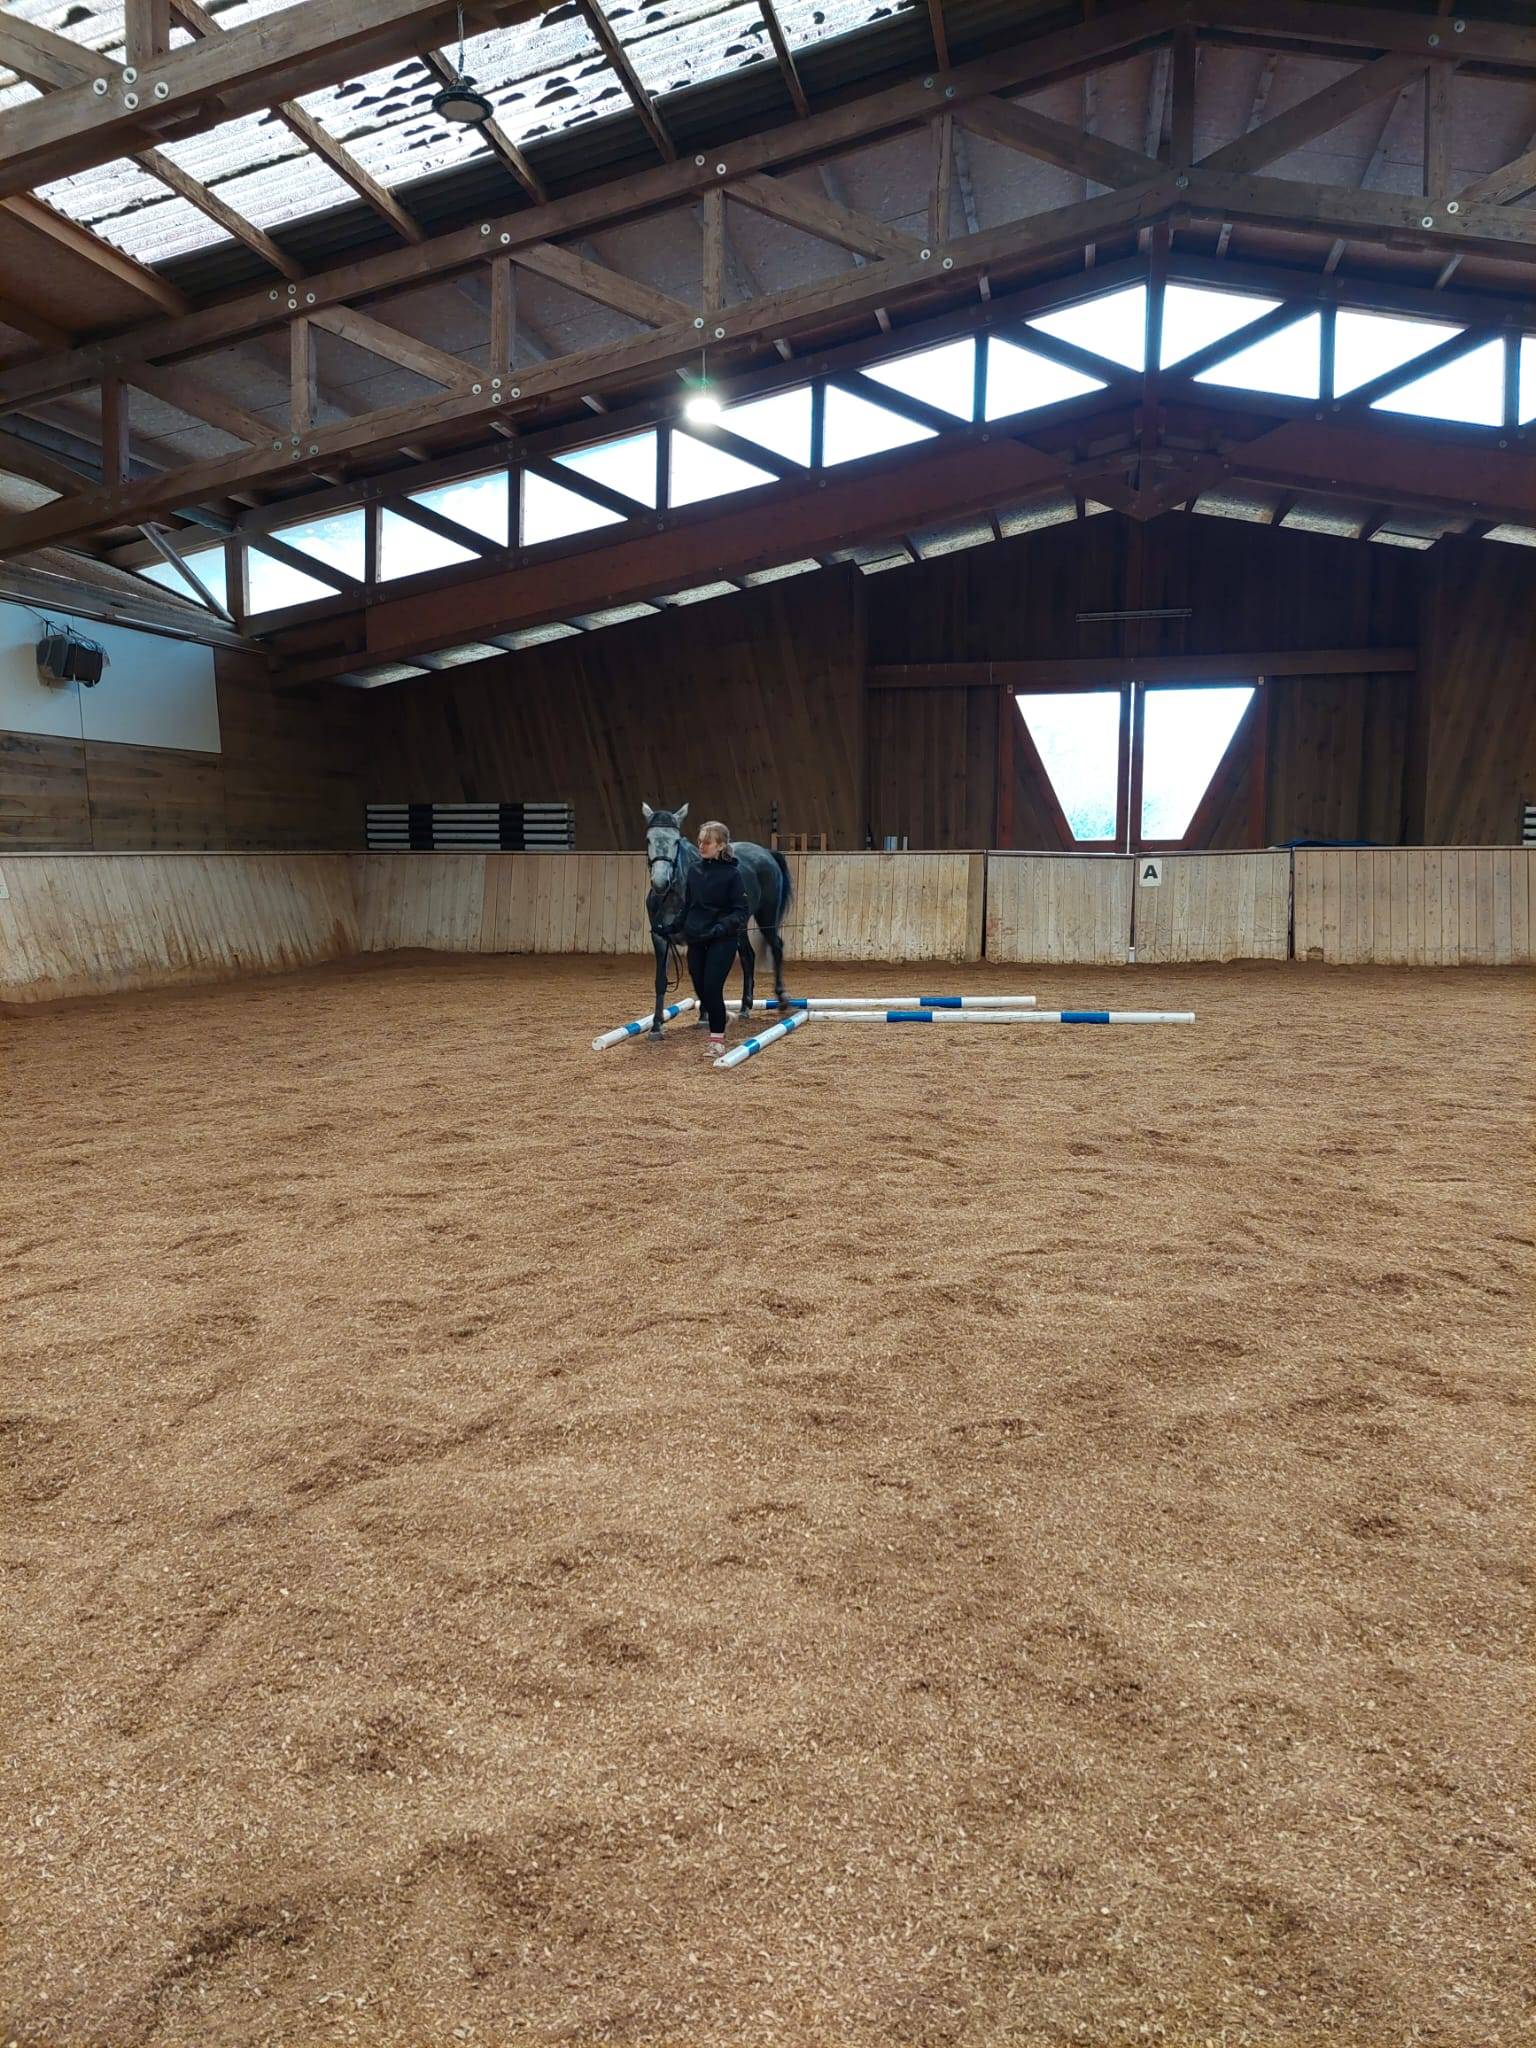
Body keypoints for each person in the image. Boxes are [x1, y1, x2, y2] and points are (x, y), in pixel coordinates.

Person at [682, 821, 749, 1059]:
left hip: (722, 940)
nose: (701, 846)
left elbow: (741, 911)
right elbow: (688, 906)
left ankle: (717, 1041)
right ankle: (723, 1016)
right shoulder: (693, 871)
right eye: (700, 842)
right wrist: (673, 927)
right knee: (701, 989)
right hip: (697, 938)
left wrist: (723, 926)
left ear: (720, 846)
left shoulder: (733, 874)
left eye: (707, 842)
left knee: (712, 988)